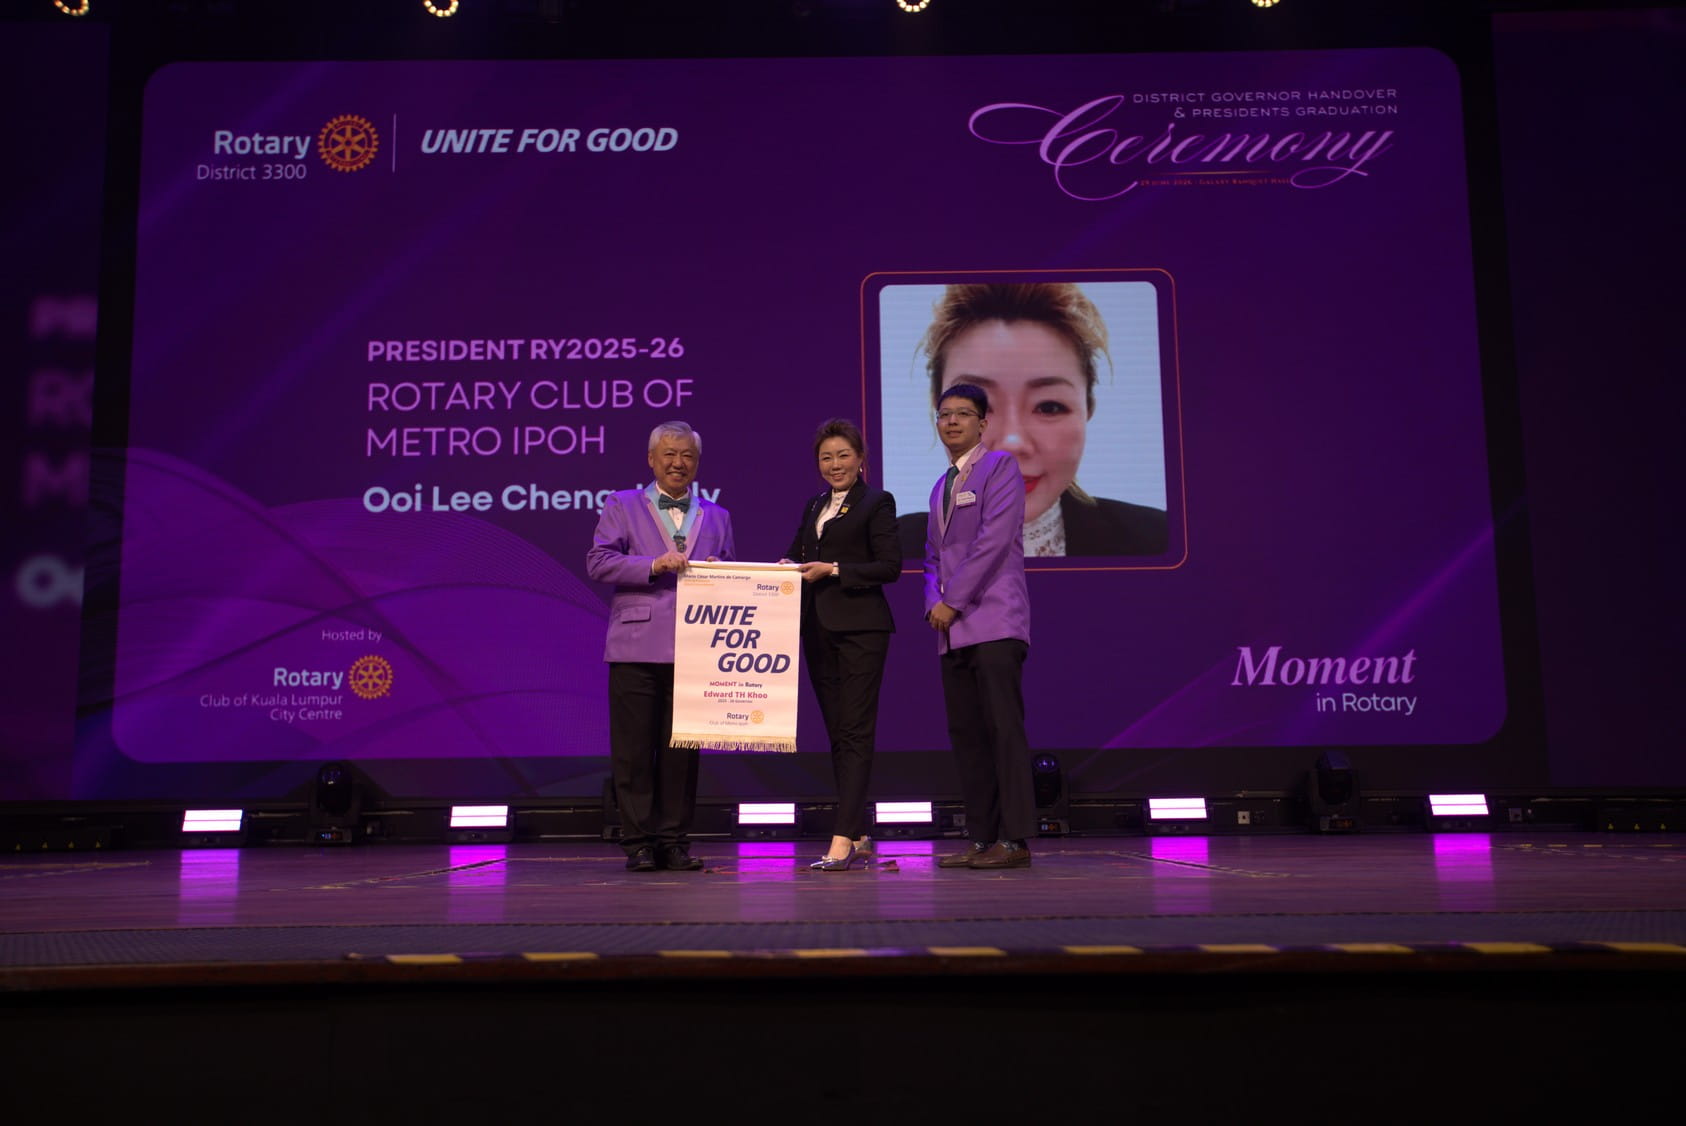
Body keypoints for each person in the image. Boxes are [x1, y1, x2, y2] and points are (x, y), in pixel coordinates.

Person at [898, 282, 1168, 558]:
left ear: (1087, 408)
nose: (1012, 444)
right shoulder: (887, 549)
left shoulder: (1161, 541)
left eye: (1049, 407)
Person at [586, 421, 734, 873]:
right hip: (636, 644)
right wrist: (654, 564)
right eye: (669, 454)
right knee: (633, 751)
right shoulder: (622, 504)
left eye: (687, 455)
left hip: (695, 649)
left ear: (697, 463)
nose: (677, 462)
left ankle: (674, 841)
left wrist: (721, 573)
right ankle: (638, 843)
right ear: (651, 460)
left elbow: (731, 576)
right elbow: (599, 562)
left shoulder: (718, 515)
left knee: (682, 753)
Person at [924, 384, 1035, 870]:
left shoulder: (1001, 467)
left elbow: (994, 541)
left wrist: (951, 600)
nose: (951, 422)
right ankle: (982, 836)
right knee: (967, 735)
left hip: (994, 620)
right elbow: (931, 556)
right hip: (952, 630)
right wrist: (934, 602)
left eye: (962, 414)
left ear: (982, 423)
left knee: (1003, 731)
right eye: (944, 414)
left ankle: (1014, 840)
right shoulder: (940, 486)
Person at [780, 419, 900, 871]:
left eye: (843, 455)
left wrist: (832, 569)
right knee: (838, 733)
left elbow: (889, 566)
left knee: (855, 731)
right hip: (817, 629)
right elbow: (794, 557)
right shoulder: (814, 504)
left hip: (860, 631)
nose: (835, 465)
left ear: (860, 459)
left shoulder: (876, 502)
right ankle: (860, 832)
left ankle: (842, 838)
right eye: (826, 457)